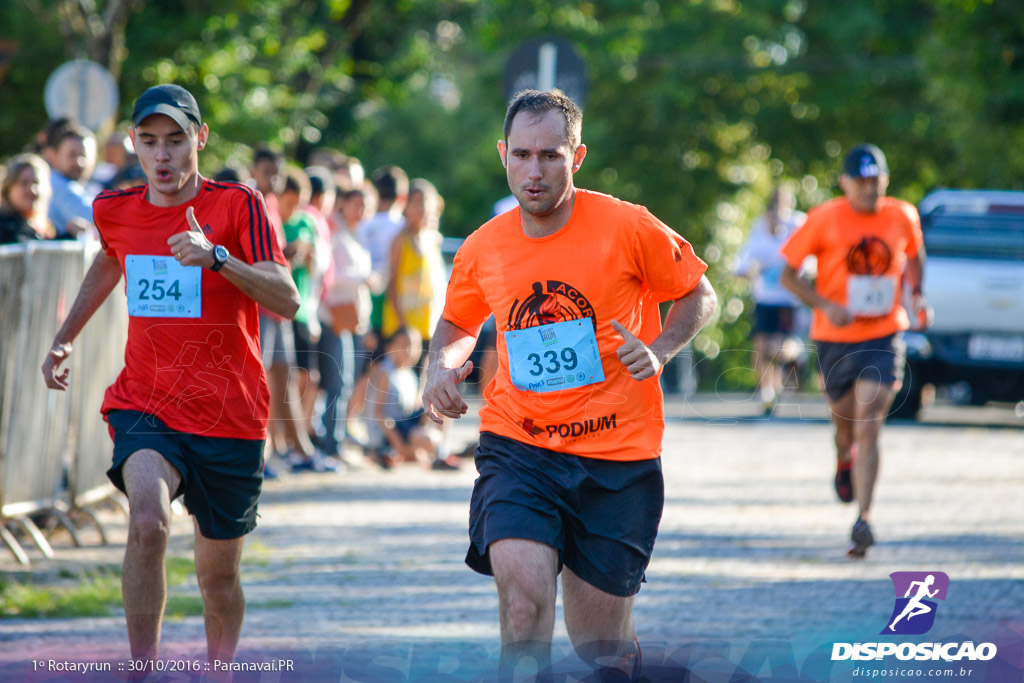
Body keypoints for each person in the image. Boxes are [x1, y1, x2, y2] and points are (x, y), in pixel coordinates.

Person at [421, 89, 716, 680]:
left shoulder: (627, 225)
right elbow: (457, 322)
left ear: (576, 157)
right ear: (503, 154)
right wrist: (439, 367)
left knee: (599, 647)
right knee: (524, 609)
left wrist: (658, 353)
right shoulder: (484, 247)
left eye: (551, 156)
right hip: (520, 449)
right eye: (523, 155)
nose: (535, 171)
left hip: (617, 458)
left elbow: (699, 296)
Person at [40, 84, 300, 670]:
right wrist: (64, 337)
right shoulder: (114, 209)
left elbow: (287, 299)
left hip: (229, 415)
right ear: (133, 143)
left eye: (177, 141)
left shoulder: (239, 206)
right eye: (150, 142)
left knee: (218, 581)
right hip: (147, 402)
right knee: (148, 523)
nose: (163, 157)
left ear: (200, 140)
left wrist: (217, 259)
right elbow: (111, 258)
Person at [780, 143, 930, 558]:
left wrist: (917, 296)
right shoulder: (824, 218)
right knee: (845, 427)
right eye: (860, 181)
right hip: (835, 337)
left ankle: (863, 518)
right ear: (845, 182)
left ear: (885, 180)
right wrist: (825, 305)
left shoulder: (903, 215)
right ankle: (843, 458)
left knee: (869, 419)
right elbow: (788, 275)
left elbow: (916, 258)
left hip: (884, 334)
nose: (869, 188)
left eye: (875, 180)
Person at [735, 186, 807, 414]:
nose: (777, 213)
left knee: (778, 348)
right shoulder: (759, 227)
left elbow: (812, 257)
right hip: (764, 299)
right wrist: (750, 270)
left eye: (782, 206)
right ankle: (768, 395)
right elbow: (742, 264)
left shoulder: (798, 224)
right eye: (773, 206)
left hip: (788, 299)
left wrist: (803, 271)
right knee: (761, 348)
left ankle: (798, 355)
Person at [42, 121, 96, 239]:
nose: (79, 162)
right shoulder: (58, 184)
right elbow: (99, 216)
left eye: (84, 155)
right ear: (54, 155)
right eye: (72, 155)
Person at [0, 153, 53, 243]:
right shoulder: (5, 228)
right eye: (24, 183)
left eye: (36, 183)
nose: (32, 190)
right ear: (8, 188)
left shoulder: (43, 226)